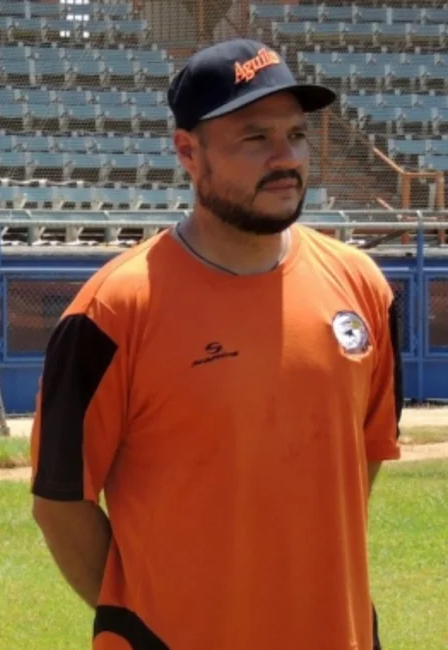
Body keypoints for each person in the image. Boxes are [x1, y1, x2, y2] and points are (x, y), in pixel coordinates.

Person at [30, 39, 401, 650]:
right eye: (254, 138)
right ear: (187, 152)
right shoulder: (112, 312)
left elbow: (359, 460)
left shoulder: (364, 289)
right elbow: (60, 505)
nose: (286, 158)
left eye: (297, 135)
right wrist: (149, 619)